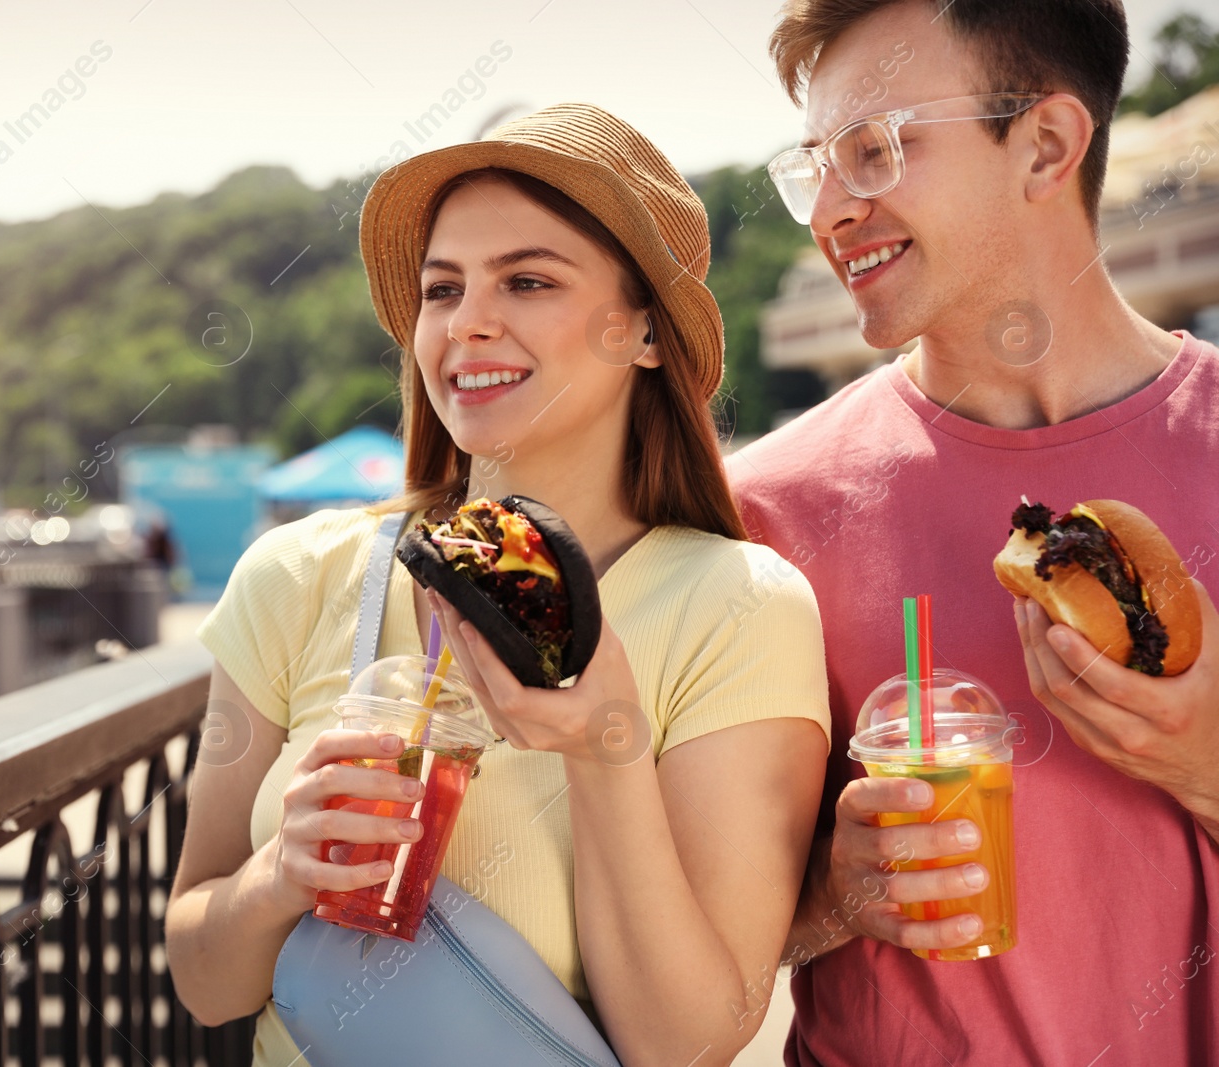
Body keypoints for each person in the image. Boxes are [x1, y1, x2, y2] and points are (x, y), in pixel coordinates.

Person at [166, 103, 832, 1066]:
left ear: (645, 332)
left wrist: (608, 750)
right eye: (443, 289)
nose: (468, 323)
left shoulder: (739, 606)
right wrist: (279, 875)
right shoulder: (298, 576)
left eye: (526, 280)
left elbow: (685, 1045)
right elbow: (203, 981)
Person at [729, 1, 1219, 1063]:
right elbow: (687, 959)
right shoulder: (759, 511)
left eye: (872, 150)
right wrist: (828, 895)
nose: (826, 208)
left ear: (1043, 145)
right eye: (813, 162)